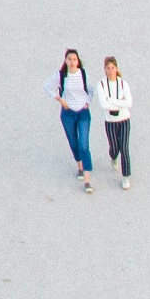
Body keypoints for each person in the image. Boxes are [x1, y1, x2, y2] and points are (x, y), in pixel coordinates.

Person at [53, 49, 94, 193]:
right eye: (69, 59)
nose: (72, 62)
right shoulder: (61, 75)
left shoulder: (83, 74)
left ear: (78, 61)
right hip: (67, 113)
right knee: (73, 142)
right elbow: (47, 87)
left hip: (82, 113)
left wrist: (87, 102)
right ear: (65, 60)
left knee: (84, 145)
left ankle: (87, 180)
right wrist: (59, 99)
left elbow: (91, 90)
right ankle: (80, 166)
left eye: (74, 59)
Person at [95, 55, 132, 190]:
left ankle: (126, 177)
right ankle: (113, 157)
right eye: (108, 68)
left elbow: (128, 103)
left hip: (124, 120)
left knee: (124, 148)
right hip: (110, 121)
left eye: (113, 68)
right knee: (114, 147)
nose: (110, 71)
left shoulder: (123, 84)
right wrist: (118, 103)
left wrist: (111, 100)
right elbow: (103, 104)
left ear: (116, 68)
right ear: (105, 69)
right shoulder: (102, 84)